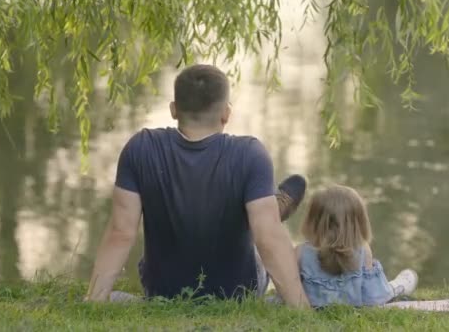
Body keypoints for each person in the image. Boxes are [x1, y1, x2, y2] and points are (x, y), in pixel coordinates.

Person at [85, 64, 310, 308]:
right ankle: (268, 210)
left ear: (173, 110)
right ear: (226, 113)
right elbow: (268, 238)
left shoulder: (140, 148)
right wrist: (301, 310)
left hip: (162, 292)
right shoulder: (250, 154)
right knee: (263, 229)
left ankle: (265, 210)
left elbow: (121, 232)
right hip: (238, 294)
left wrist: (95, 299)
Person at [297, 185, 418, 308]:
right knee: (389, 289)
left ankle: (397, 286)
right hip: (358, 303)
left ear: (312, 220)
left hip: (313, 306)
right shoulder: (362, 250)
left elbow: (288, 288)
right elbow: (374, 297)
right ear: (358, 222)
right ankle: (399, 287)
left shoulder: (300, 252)